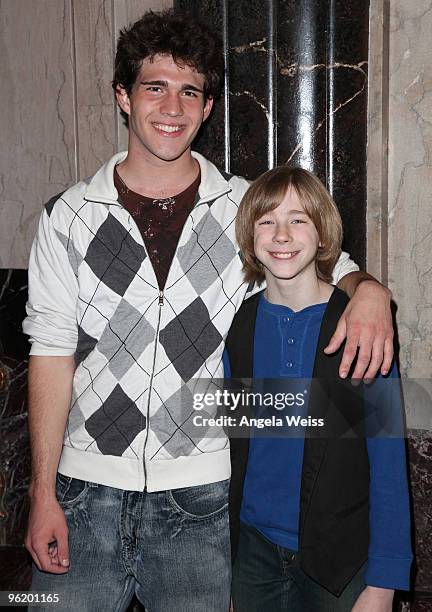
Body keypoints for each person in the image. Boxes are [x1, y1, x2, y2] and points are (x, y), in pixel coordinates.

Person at [23, 8, 394, 612]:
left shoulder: (243, 209)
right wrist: (41, 493)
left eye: (190, 91)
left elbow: (326, 255)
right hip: (83, 491)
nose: (172, 107)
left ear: (208, 107)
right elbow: (50, 352)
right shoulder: (68, 217)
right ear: (123, 96)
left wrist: (371, 290)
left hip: (201, 497)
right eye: (155, 87)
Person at [224, 166, 412, 611]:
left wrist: (383, 583)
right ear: (250, 238)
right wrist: (228, 567)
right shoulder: (239, 326)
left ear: (323, 233)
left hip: (340, 562)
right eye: (266, 220)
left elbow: (388, 464)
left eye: (298, 219)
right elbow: (233, 450)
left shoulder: (362, 327)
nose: (282, 234)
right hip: (253, 554)